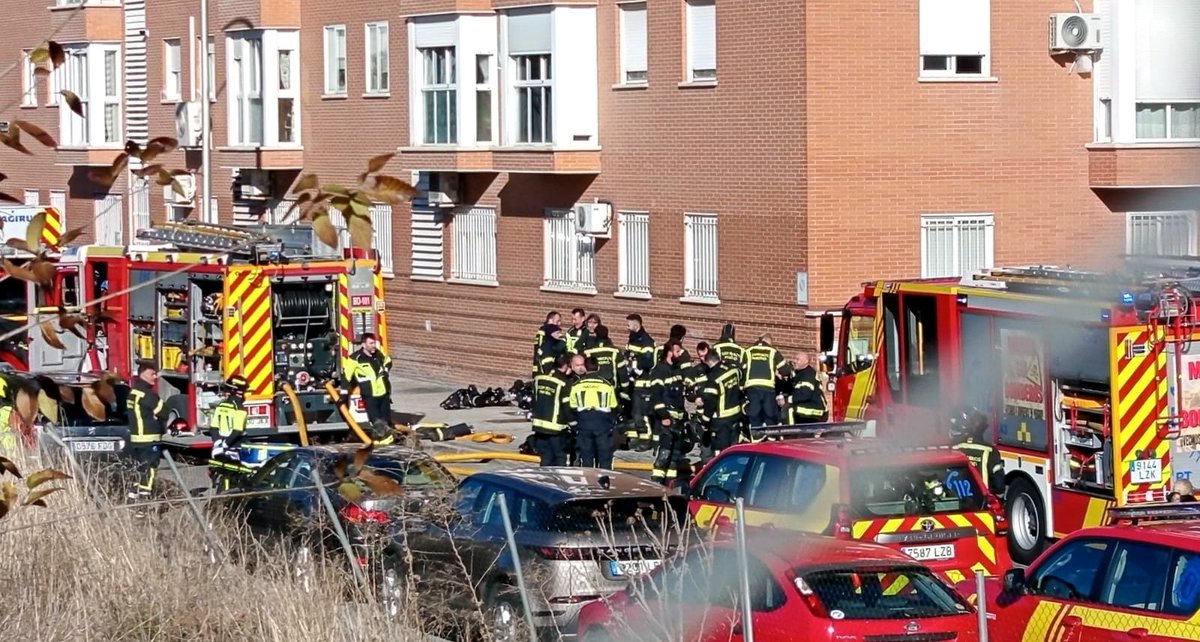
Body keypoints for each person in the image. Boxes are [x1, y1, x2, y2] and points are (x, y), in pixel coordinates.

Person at [649, 340, 689, 484]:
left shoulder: (677, 370)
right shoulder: (660, 370)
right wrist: (664, 416)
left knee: (674, 457)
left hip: (678, 420)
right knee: (664, 455)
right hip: (666, 419)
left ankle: (669, 485)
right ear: (669, 352)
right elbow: (656, 395)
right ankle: (656, 484)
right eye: (677, 351)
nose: (680, 354)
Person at [127, 363, 167, 501]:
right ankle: (145, 500)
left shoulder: (133, 393)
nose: (155, 377)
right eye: (152, 374)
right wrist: (156, 417)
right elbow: (164, 413)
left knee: (140, 468)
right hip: (150, 438)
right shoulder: (149, 396)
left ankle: (132, 496)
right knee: (150, 468)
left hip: (136, 439)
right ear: (143, 374)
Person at [569, 357, 618, 469]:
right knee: (605, 457)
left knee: (586, 457)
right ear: (599, 368)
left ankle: (588, 482)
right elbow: (614, 406)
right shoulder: (607, 385)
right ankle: (604, 481)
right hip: (603, 424)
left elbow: (572, 406)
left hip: (584, 423)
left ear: (585, 368)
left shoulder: (577, 385)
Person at [699, 350, 744, 461]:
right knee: (733, 448)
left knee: (720, 452)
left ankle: (722, 475)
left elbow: (711, 402)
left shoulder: (713, 378)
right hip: (736, 415)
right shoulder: (733, 370)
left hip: (721, 420)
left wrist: (704, 419)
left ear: (708, 362)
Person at [208, 376, 251, 491]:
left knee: (222, 473)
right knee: (239, 477)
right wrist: (226, 444)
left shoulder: (221, 406)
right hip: (235, 447)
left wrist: (218, 443)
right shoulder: (240, 408)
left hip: (220, 447)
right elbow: (237, 430)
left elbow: (213, 428)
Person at [342, 333, 394, 426]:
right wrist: (344, 394)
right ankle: (384, 439)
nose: (374, 346)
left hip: (384, 394)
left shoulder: (378, 354)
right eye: (371, 343)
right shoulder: (355, 358)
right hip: (370, 395)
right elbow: (346, 376)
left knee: (386, 421)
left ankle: (384, 438)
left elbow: (388, 361)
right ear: (363, 344)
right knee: (377, 422)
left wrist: (385, 370)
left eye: (374, 343)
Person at [949, 406, 1004, 495]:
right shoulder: (990, 451)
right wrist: (999, 498)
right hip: (981, 501)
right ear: (983, 428)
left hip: (957, 500)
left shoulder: (955, 447)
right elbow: (999, 484)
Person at [531, 354, 574, 466]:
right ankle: (558, 481)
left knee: (545, 456)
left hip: (539, 426)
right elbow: (567, 408)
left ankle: (544, 480)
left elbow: (534, 401)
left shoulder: (538, 379)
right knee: (559, 456)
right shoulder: (564, 383)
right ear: (565, 366)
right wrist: (574, 424)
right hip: (556, 428)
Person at [624, 314, 657, 451]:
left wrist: (635, 368)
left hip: (643, 384)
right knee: (633, 413)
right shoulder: (633, 339)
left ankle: (646, 440)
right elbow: (628, 355)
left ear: (636, 324)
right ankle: (635, 438)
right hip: (632, 382)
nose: (627, 326)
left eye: (629, 324)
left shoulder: (646, 341)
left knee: (641, 413)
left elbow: (648, 362)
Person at [742, 333, 787, 430]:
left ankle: (756, 440)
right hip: (768, 389)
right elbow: (786, 370)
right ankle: (770, 440)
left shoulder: (748, 351)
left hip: (752, 388)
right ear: (769, 342)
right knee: (770, 416)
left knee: (754, 417)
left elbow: (742, 369)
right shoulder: (773, 351)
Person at [780, 352, 828, 424]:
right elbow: (789, 388)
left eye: (797, 359)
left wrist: (786, 400)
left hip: (818, 409)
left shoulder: (808, 374)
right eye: (794, 359)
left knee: (790, 409)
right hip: (807, 405)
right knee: (787, 407)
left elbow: (804, 395)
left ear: (805, 362)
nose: (794, 361)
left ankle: (791, 433)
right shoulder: (799, 373)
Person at [532, 311, 564, 376]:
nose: (559, 323)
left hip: (539, 364)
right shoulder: (550, 327)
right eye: (558, 321)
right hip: (546, 364)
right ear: (550, 320)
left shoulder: (542, 329)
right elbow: (557, 336)